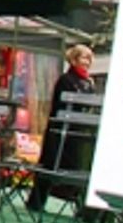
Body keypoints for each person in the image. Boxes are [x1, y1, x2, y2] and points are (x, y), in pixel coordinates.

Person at [25, 44, 96, 212]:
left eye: (89, 59)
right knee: (50, 164)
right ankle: (36, 202)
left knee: (77, 167)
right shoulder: (66, 79)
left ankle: (81, 207)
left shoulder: (89, 82)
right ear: (74, 60)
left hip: (78, 132)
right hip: (60, 131)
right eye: (84, 58)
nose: (87, 62)